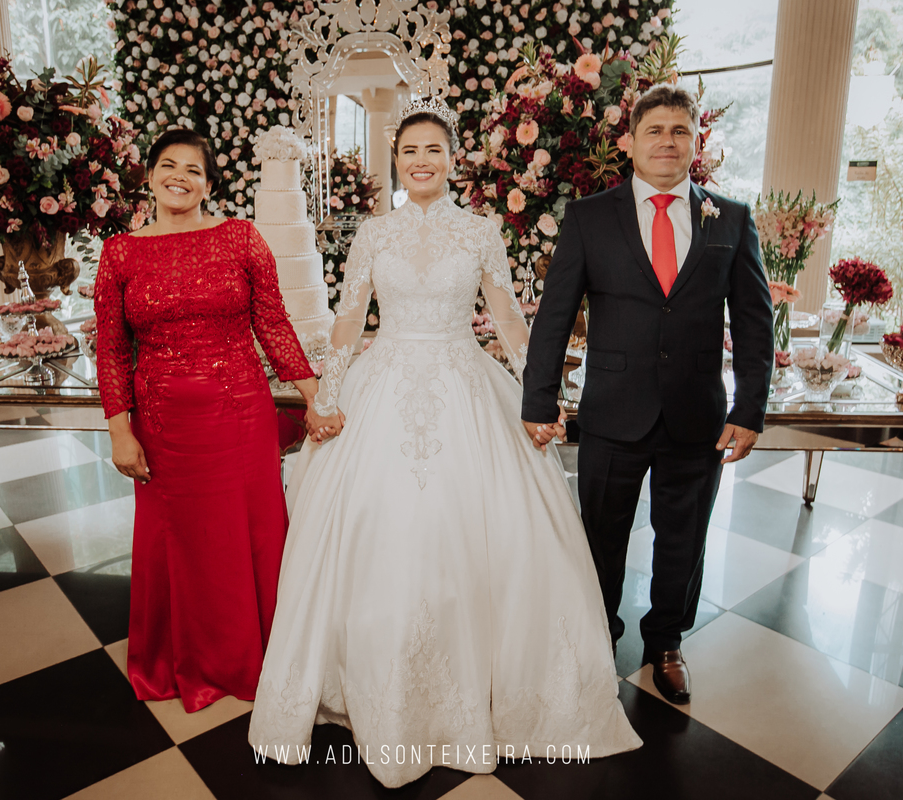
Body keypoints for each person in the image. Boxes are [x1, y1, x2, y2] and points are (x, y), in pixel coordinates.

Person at [247, 98, 641, 788]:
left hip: (466, 382)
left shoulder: (482, 231)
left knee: (488, 534)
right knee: (375, 528)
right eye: (409, 151)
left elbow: (512, 320)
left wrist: (538, 393)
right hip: (385, 380)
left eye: (434, 149)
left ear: (452, 160)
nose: (422, 161)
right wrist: (330, 396)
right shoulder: (372, 233)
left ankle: (489, 700)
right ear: (395, 161)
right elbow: (346, 322)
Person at [522, 84, 774, 705]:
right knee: (601, 534)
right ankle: (596, 637)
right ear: (629, 141)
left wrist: (749, 409)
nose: (667, 141)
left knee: (683, 538)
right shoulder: (588, 217)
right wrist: (538, 399)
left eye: (680, 130)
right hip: (613, 410)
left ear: (696, 142)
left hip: (697, 414)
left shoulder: (732, 219)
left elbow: (753, 320)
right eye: (655, 130)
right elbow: (556, 314)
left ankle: (666, 641)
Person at [94, 128, 334, 712]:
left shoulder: (241, 238)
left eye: (193, 170)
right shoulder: (120, 252)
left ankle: (259, 659)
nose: (179, 177)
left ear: (209, 182)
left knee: (246, 535)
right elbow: (109, 347)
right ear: (149, 175)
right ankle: (180, 663)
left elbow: (273, 324)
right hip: (160, 424)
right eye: (168, 165)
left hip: (238, 413)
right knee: (175, 543)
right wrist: (119, 429)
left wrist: (314, 396)